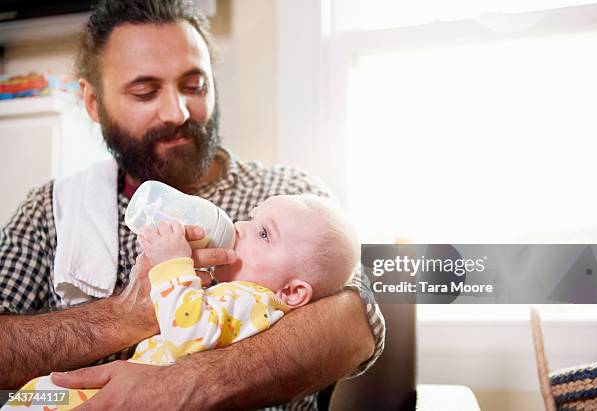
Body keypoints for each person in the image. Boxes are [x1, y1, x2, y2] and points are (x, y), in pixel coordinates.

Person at [0, 0, 385, 409]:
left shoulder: (285, 197)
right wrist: (123, 316)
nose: (178, 111)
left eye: (194, 85)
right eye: (146, 92)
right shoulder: (53, 212)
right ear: (93, 103)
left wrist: (186, 385)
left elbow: (357, 320)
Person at [5, 194, 361, 410]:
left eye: (264, 234)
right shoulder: (239, 297)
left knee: (38, 397)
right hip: (113, 389)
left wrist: (172, 264)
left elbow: (188, 332)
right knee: (34, 395)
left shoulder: (253, 301)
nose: (239, 227)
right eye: (252, 218)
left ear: (292, 292)